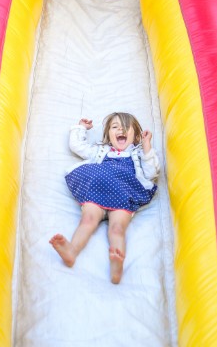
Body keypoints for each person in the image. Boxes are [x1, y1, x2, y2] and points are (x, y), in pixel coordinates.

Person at [50, 112, 160, 284]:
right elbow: (77, 146)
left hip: (123, 194)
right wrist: (81, 128)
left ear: (136, 135)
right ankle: (71, 251)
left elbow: (152, 173)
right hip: (97, 192)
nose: (120, 129)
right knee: (87, 220)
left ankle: (117, 265)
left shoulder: (137, 154)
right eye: (115, 127)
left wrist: (146, 147)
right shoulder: (101, 151)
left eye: (125, 127)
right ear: (108, 135)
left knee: (117, 229)